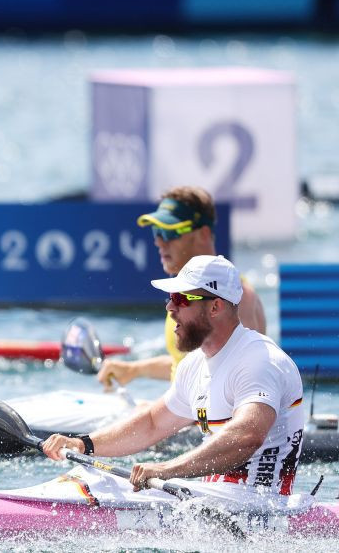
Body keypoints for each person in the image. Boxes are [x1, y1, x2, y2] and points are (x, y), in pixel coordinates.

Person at [43, 255, 305, 495]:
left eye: (181, 298)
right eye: (170, 296)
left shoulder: (259, 360)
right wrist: (83, 444)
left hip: (262, 506)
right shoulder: (194, 365)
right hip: (211, 502)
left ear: (215, 307)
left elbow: (247, 435)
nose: (170, 307)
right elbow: (152, 424)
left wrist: (167, 469)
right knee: (95, 481)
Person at [96, 186, 266, 388]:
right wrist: (135, 369)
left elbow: (236, 386)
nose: (159, 242)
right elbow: (186, 364)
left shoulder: (237, 299)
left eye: (170, 233)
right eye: (156, 232)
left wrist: (159, 415)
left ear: (203, 234)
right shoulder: (185, 296)